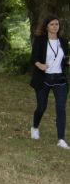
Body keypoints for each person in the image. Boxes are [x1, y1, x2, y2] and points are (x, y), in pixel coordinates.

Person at [29, 15, 69, 149]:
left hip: (60, 79)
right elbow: (33, 57)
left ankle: (61, 139)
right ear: (46, 26)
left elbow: (64, 60)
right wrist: (39, 64)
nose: (55, 26)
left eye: (57, 24)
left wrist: (68, 62)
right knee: (41, 107)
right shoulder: (40, 40)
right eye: (52, 24)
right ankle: (35, 127)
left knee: (61, 108)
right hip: (43, 78)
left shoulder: (63, 41)